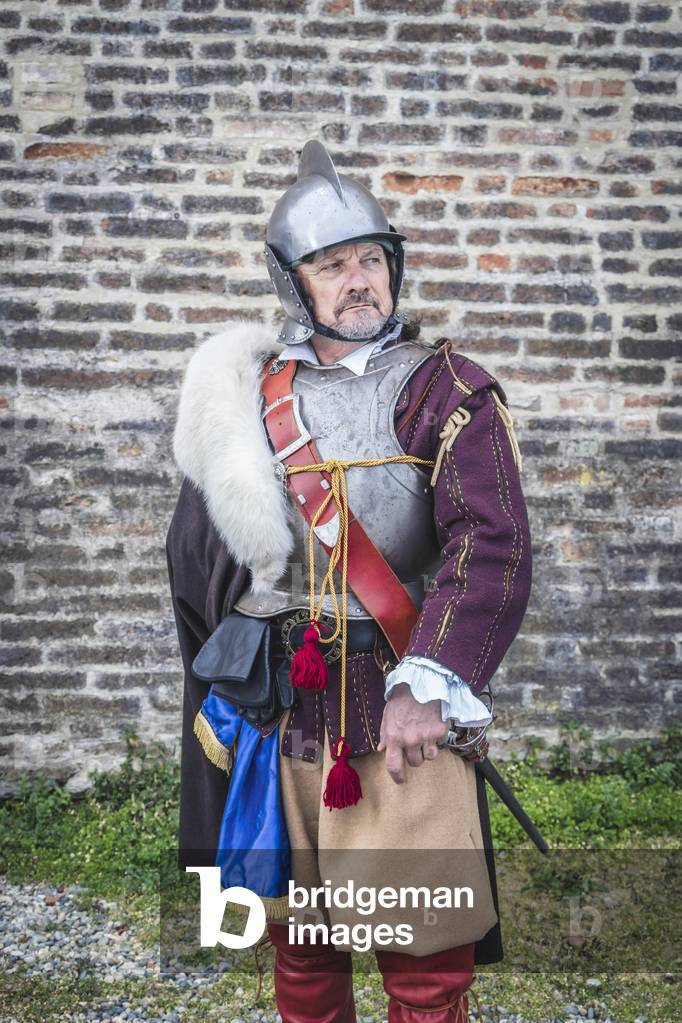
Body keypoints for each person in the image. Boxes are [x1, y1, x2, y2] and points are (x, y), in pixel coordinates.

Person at [166, 140, 533, 1023]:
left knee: (423, 962)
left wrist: (431, 684)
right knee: (304, 948)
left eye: (373, 258)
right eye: (333, 265)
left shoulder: (448, 390)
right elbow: (197, 551)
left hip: (403, 709)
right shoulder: (250, 397)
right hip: (286, 716)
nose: (360, 279)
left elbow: (493, 545)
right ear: (294, 284)